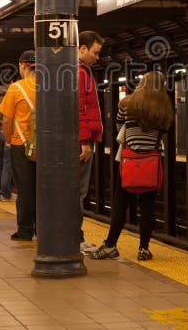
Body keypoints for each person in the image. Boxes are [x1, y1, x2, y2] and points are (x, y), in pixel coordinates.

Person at [90, 71, 173, 262]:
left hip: (128, 160)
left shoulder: (127, 104)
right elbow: (165, 130)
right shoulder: (164, 109)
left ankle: (110, 245)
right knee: (148, 205)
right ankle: (143, 249)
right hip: (152, 161)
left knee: (120, 205)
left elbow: (120, 127)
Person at [0, 51, 37, 241]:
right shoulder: (48, 86)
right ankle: (43, 227)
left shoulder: (16, 88)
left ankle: (25, 230)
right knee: (42, 187)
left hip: (20, 144)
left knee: (24, 188)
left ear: (22, 66)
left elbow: (7, 121)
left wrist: (7, 140)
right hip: (44, 146)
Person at [78, 31, 104, 250]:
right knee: (78, 191)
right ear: (82, 49)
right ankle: (75, 237)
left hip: (82, 139)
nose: (98, 57)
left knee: (77, 191)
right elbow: (81, 109)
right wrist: (84, 142)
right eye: (96, 52)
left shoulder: (82, 71)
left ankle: (73, 235)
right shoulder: (80, 73)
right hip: (81, 143)